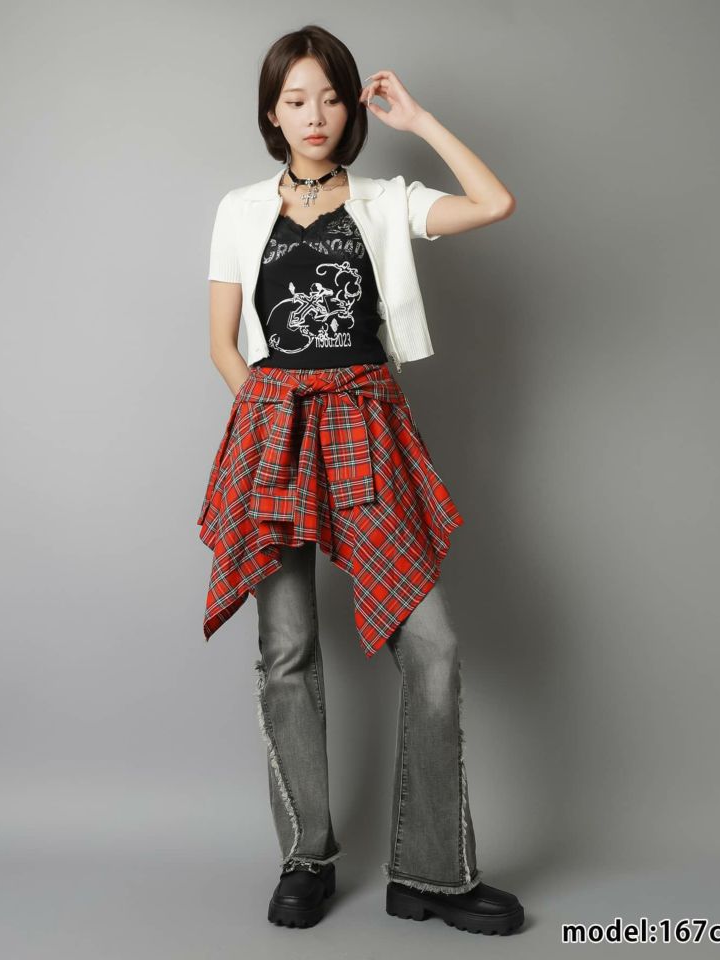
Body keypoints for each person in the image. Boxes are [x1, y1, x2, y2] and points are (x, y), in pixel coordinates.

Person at [197, 24, 524, 936]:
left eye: (331, 97)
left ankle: (430, 874)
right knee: (288, 651)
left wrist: (419, 121)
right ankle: (306, 857)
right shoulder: (238, 209)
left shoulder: (384, 201)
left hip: (367, 433)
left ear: (352, 109)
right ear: (272, 112)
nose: (315, 114)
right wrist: (270, 421)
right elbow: (223, 344)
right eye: (296, 99)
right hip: (274, 435)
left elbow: (495, 202)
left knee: (433, 645)